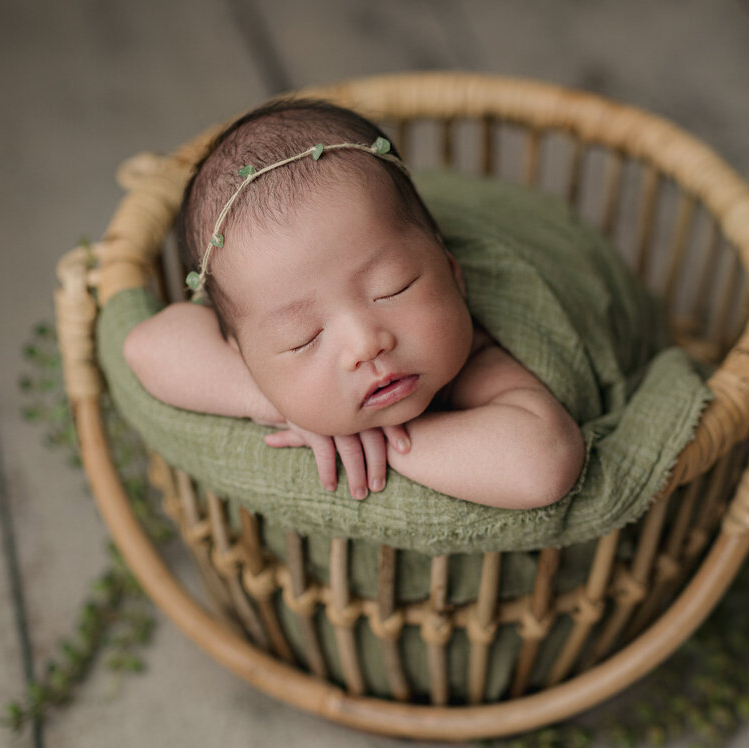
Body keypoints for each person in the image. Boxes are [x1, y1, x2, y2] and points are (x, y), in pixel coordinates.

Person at [124, 98, 586, 510]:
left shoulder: (476, 360)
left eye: (393, 288)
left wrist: (380, 441)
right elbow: (146, 346)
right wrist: (275, 400)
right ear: (244, 357)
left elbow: (543, 463)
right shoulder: (262, 363)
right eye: (303, 338)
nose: (365, 344)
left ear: (453, 274)